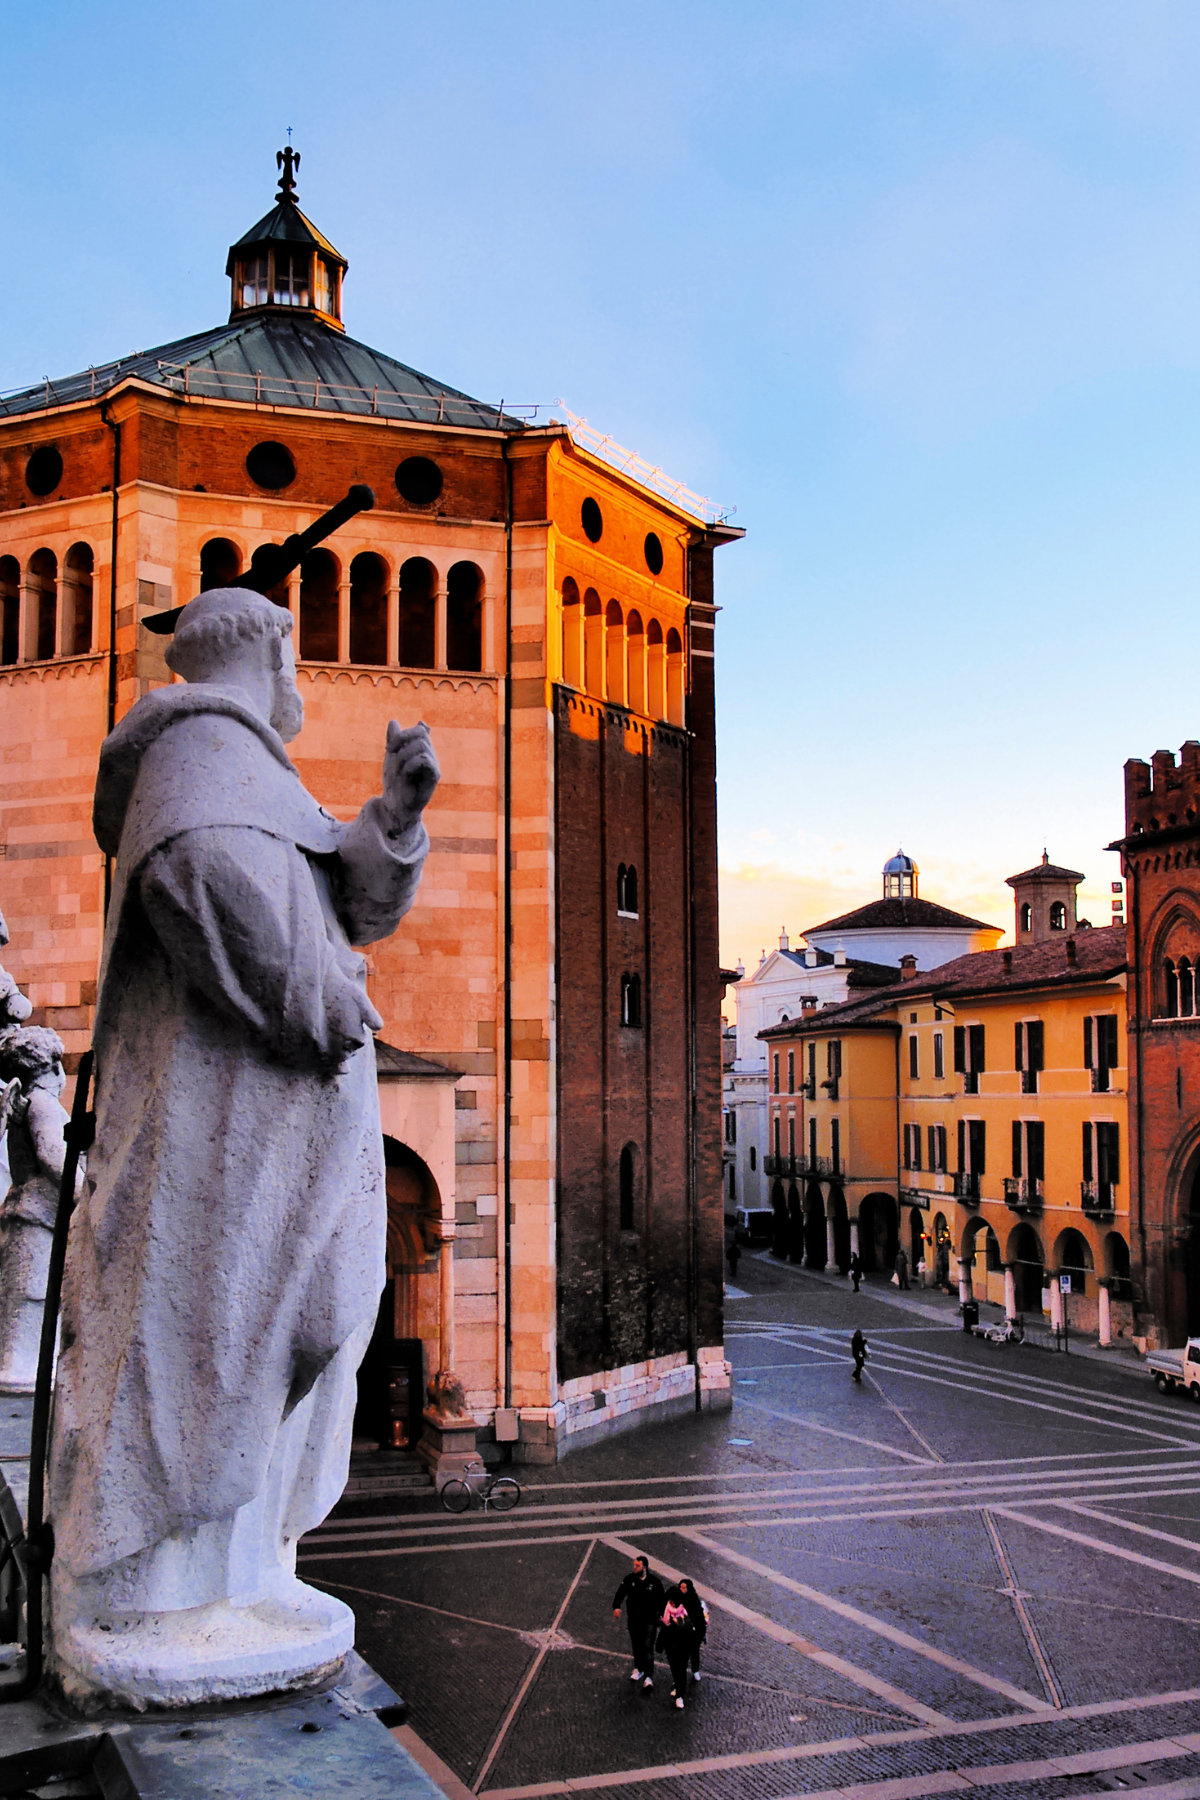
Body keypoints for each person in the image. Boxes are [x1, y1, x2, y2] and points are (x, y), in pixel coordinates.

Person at [48, 586, 440, 1707]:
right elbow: (204, 881)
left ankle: (250, 1570)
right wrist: (318, 1000)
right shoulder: (191, 756)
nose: (301, 676)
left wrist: (395, 819)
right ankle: (168, 1594)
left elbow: (338, 901)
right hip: (220, 1133)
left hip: (283, 1122)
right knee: (214, 1333)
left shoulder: (245, 762)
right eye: (293, 652)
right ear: (266, 653)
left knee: (298, 1327)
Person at [612, 1554, 665, 1689]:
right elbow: (620, 1592)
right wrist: (616, 1606)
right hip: (634, 1619)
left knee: (647, 1646)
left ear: (644, 1567)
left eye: (637, 1565)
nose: (634, 1567)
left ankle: (648, 1675)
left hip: (649, 1620)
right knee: (636, 1645)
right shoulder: (630, 1579)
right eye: (634, 1565)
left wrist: (660, 1615)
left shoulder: (654, 1582)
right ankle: (639, 1668)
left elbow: (661, 1600)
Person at [657, 1586, 697, 1708]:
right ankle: (678, 1687)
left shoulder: (685, 1612)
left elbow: (690, 1628)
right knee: (675, 1669)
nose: (671, 1603)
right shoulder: (667, 1611)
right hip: (671, 1646)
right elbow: (663, 1627)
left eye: (673, 1601)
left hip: (683, 1646)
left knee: (681, 1670)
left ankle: (680, 1695)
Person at [676, 1577, 709, 1682]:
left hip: (694, 1631)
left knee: (694, 1652)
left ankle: (695, 1671)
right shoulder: (678, 1599)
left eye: (684, 1587)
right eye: (680, 1587)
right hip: (683, 1631)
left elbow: (700, 1619)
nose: (682, 1589)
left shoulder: (694, 1601)